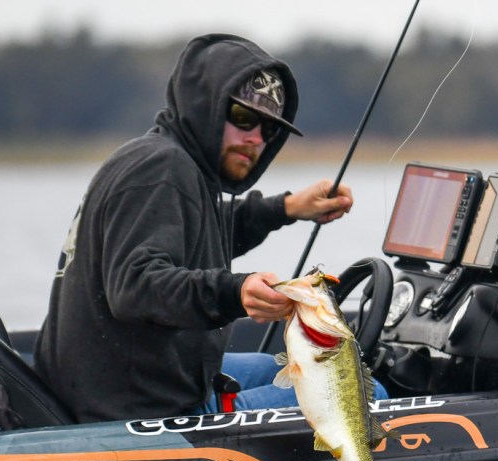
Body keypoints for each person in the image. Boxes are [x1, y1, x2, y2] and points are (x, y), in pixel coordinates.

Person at [34, 33, 372, 423]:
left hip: (126, 381)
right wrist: (236, 291)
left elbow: (197, 233)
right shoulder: (163, 170)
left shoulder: (159, 159)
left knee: (273, 367)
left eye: (268, 128)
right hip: (136, 412)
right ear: (205, 105)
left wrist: (287, 208)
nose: (255, 138)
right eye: (243, 117)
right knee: (362, 393)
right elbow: (135, 286)